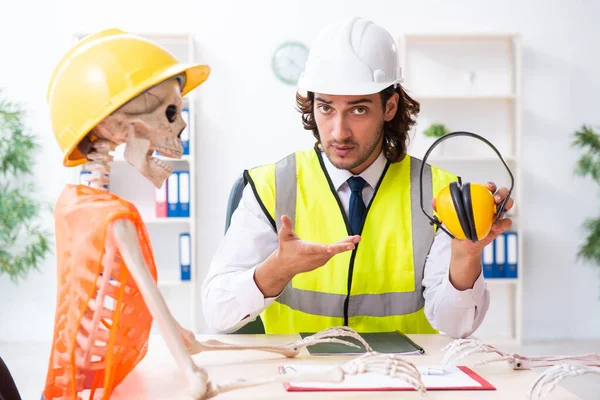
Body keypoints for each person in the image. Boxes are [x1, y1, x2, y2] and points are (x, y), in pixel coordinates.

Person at [201, 17, 514, 338]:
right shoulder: (270, 186)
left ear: (390, 106)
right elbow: (217, 313)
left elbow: (456, 327)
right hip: (299, 377)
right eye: (325, 108)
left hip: (406, 379)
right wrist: (274, 272)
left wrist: (466, 255)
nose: (339, 132)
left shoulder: (437, 192)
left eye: (358, 110)